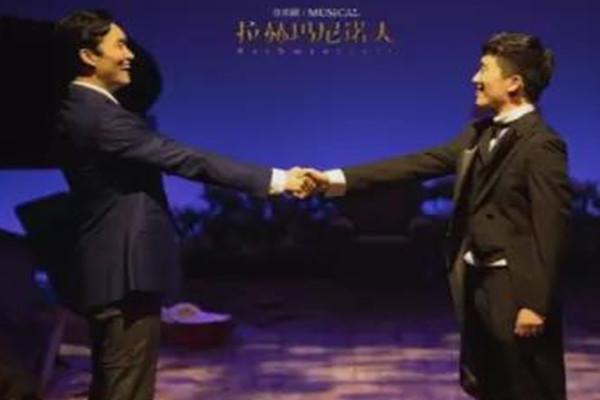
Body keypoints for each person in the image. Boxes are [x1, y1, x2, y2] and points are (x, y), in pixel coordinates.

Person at [54, 9, 313, 400]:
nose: (130, 55)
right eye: (119, 45)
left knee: (115, 385)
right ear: (88, 56)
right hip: (124, 275)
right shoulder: (98, 117)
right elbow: (185, 159)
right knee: (127, 388)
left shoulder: (86, 110)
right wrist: (279, 180)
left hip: (115, 272)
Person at [305, 32, 570, 400]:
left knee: (526, 387)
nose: (474, 78)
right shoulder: (477, 134)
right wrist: (332, 179)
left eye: (484, 69)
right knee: (489, 384)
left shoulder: (542, 144)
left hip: (514, 289)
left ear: (514, 82)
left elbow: (551, 227)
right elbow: (414, 164)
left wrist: (535, 304)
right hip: (478, 282)